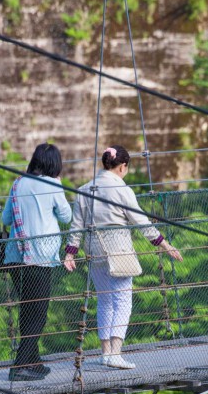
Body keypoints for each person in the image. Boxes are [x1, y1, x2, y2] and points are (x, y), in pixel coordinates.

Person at [64, 145, 182, 369]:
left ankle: (106, 353)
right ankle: (116, 354)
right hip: (119, 251)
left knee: (105, 301)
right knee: (123, 301)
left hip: (94, 251)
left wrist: (71, 252)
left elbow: (76, 226)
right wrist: (164, 244)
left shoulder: (84, 190)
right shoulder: (122, 190)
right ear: (123, 167)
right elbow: (141, 222)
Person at [1, 143, 73, 381]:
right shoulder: (52, 184)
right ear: (55, 164)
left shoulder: (17, 183)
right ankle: (20, 365)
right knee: (39, 312)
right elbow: (66, 216)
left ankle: (33, 360)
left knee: (27, 308)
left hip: (14, 257)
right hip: (40, 256)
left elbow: (6, 218)